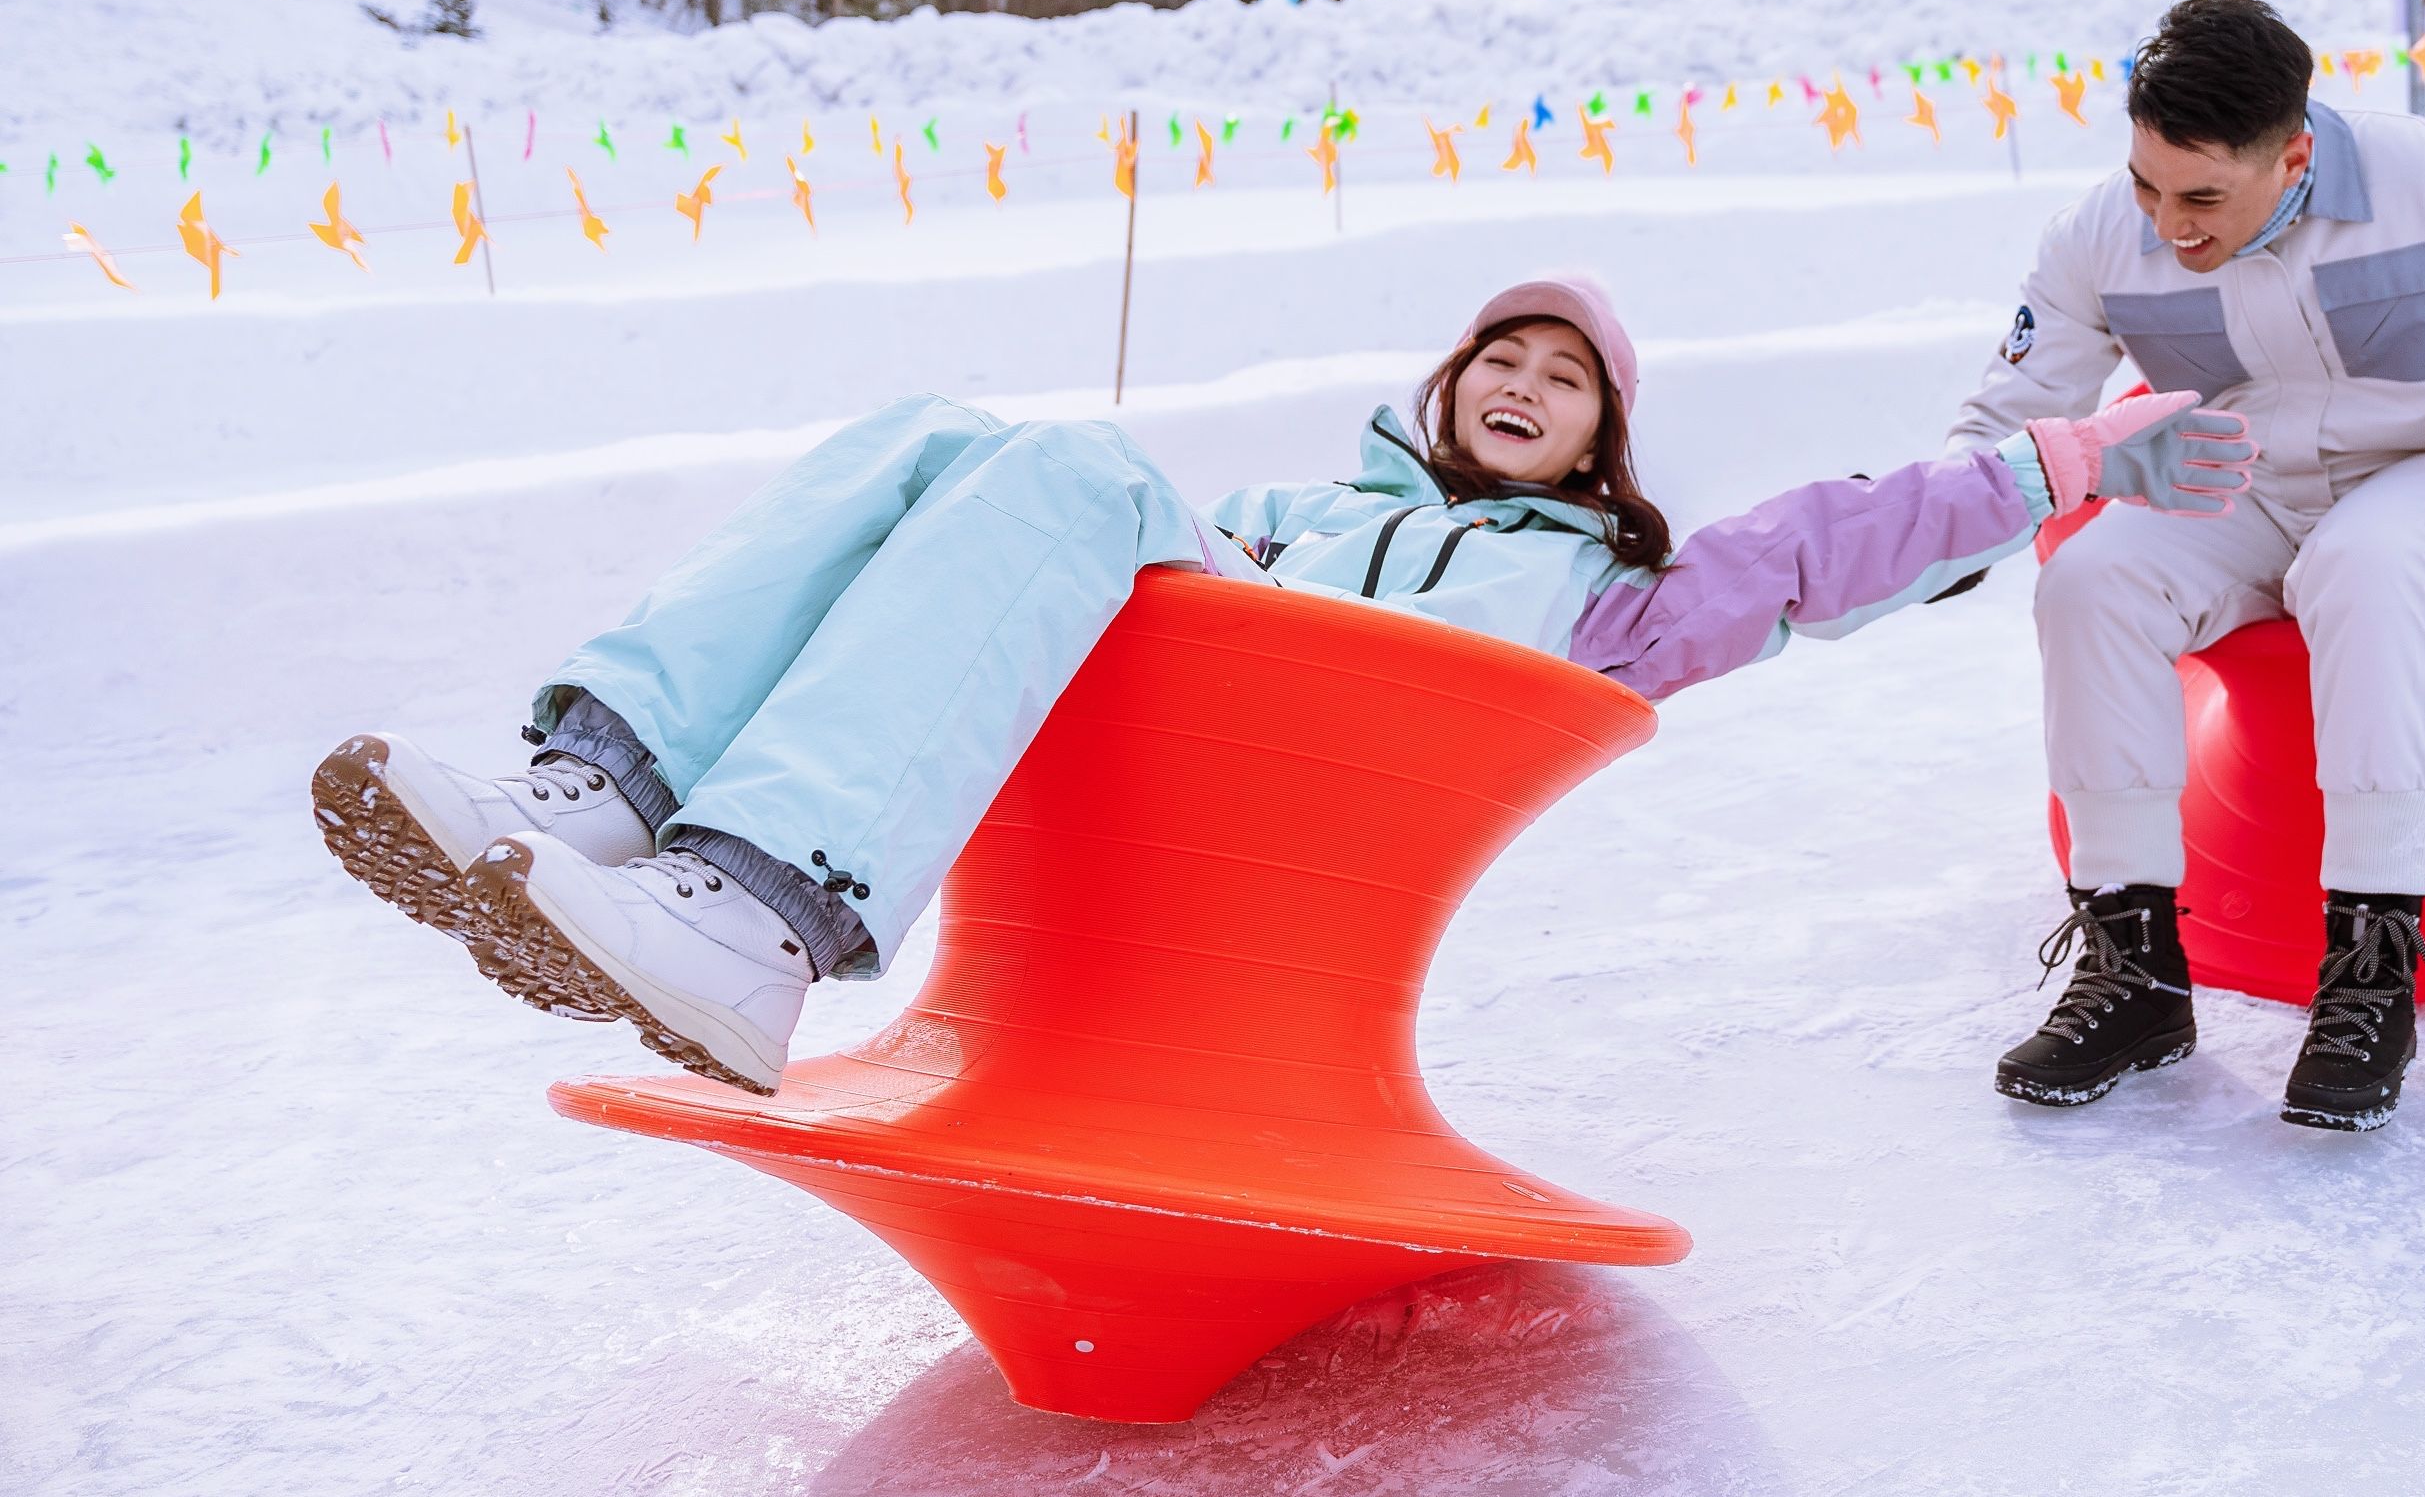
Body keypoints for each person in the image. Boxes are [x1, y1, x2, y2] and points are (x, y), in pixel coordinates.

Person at [315, 276, 2255, 1095]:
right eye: (1496, 352)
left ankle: (758, 913)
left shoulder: (1608, 595)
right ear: (1441, 388)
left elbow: (1845, 528)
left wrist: (2069, 462)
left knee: (1066, 465)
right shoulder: (1291, 508)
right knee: (940, 433)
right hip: (1162, 754)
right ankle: (608, 786)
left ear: (1595, 446)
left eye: (1562, 377)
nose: (1518, 380)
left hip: (1299, 834)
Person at [1947, 0, 2425, 1131]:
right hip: (2225, 480)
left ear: (2292, 155)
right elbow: (2016, 404)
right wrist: (1955, 505)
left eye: (2200, 198)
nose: (2166, 223)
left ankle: (2370, 977)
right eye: (2145, 184)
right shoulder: (2097, 233)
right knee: (2089, 582)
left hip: (2419, 467)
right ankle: (2132, 972)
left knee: (2367, 572)